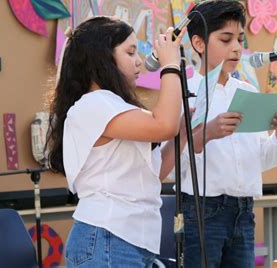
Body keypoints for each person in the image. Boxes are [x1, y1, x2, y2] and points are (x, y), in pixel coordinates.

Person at [46, 16, 186, 267]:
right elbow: (164, 125)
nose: (139, 62)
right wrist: (171, 65)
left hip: (126, 240)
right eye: (130, 52)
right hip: (107, 238)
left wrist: (185, 133)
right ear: (102, 57)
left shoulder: (116, 106)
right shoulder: (94, 103)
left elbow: (153, 175)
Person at [180, 0, 277, 267]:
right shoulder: (184, 92)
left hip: (244, 211)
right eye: (225, 39)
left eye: (240, 39)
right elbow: (173, 162)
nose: (236, 48)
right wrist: (207, 134)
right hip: (201, 211)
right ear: (199, 44)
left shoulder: (247, 91)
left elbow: (260, 159)